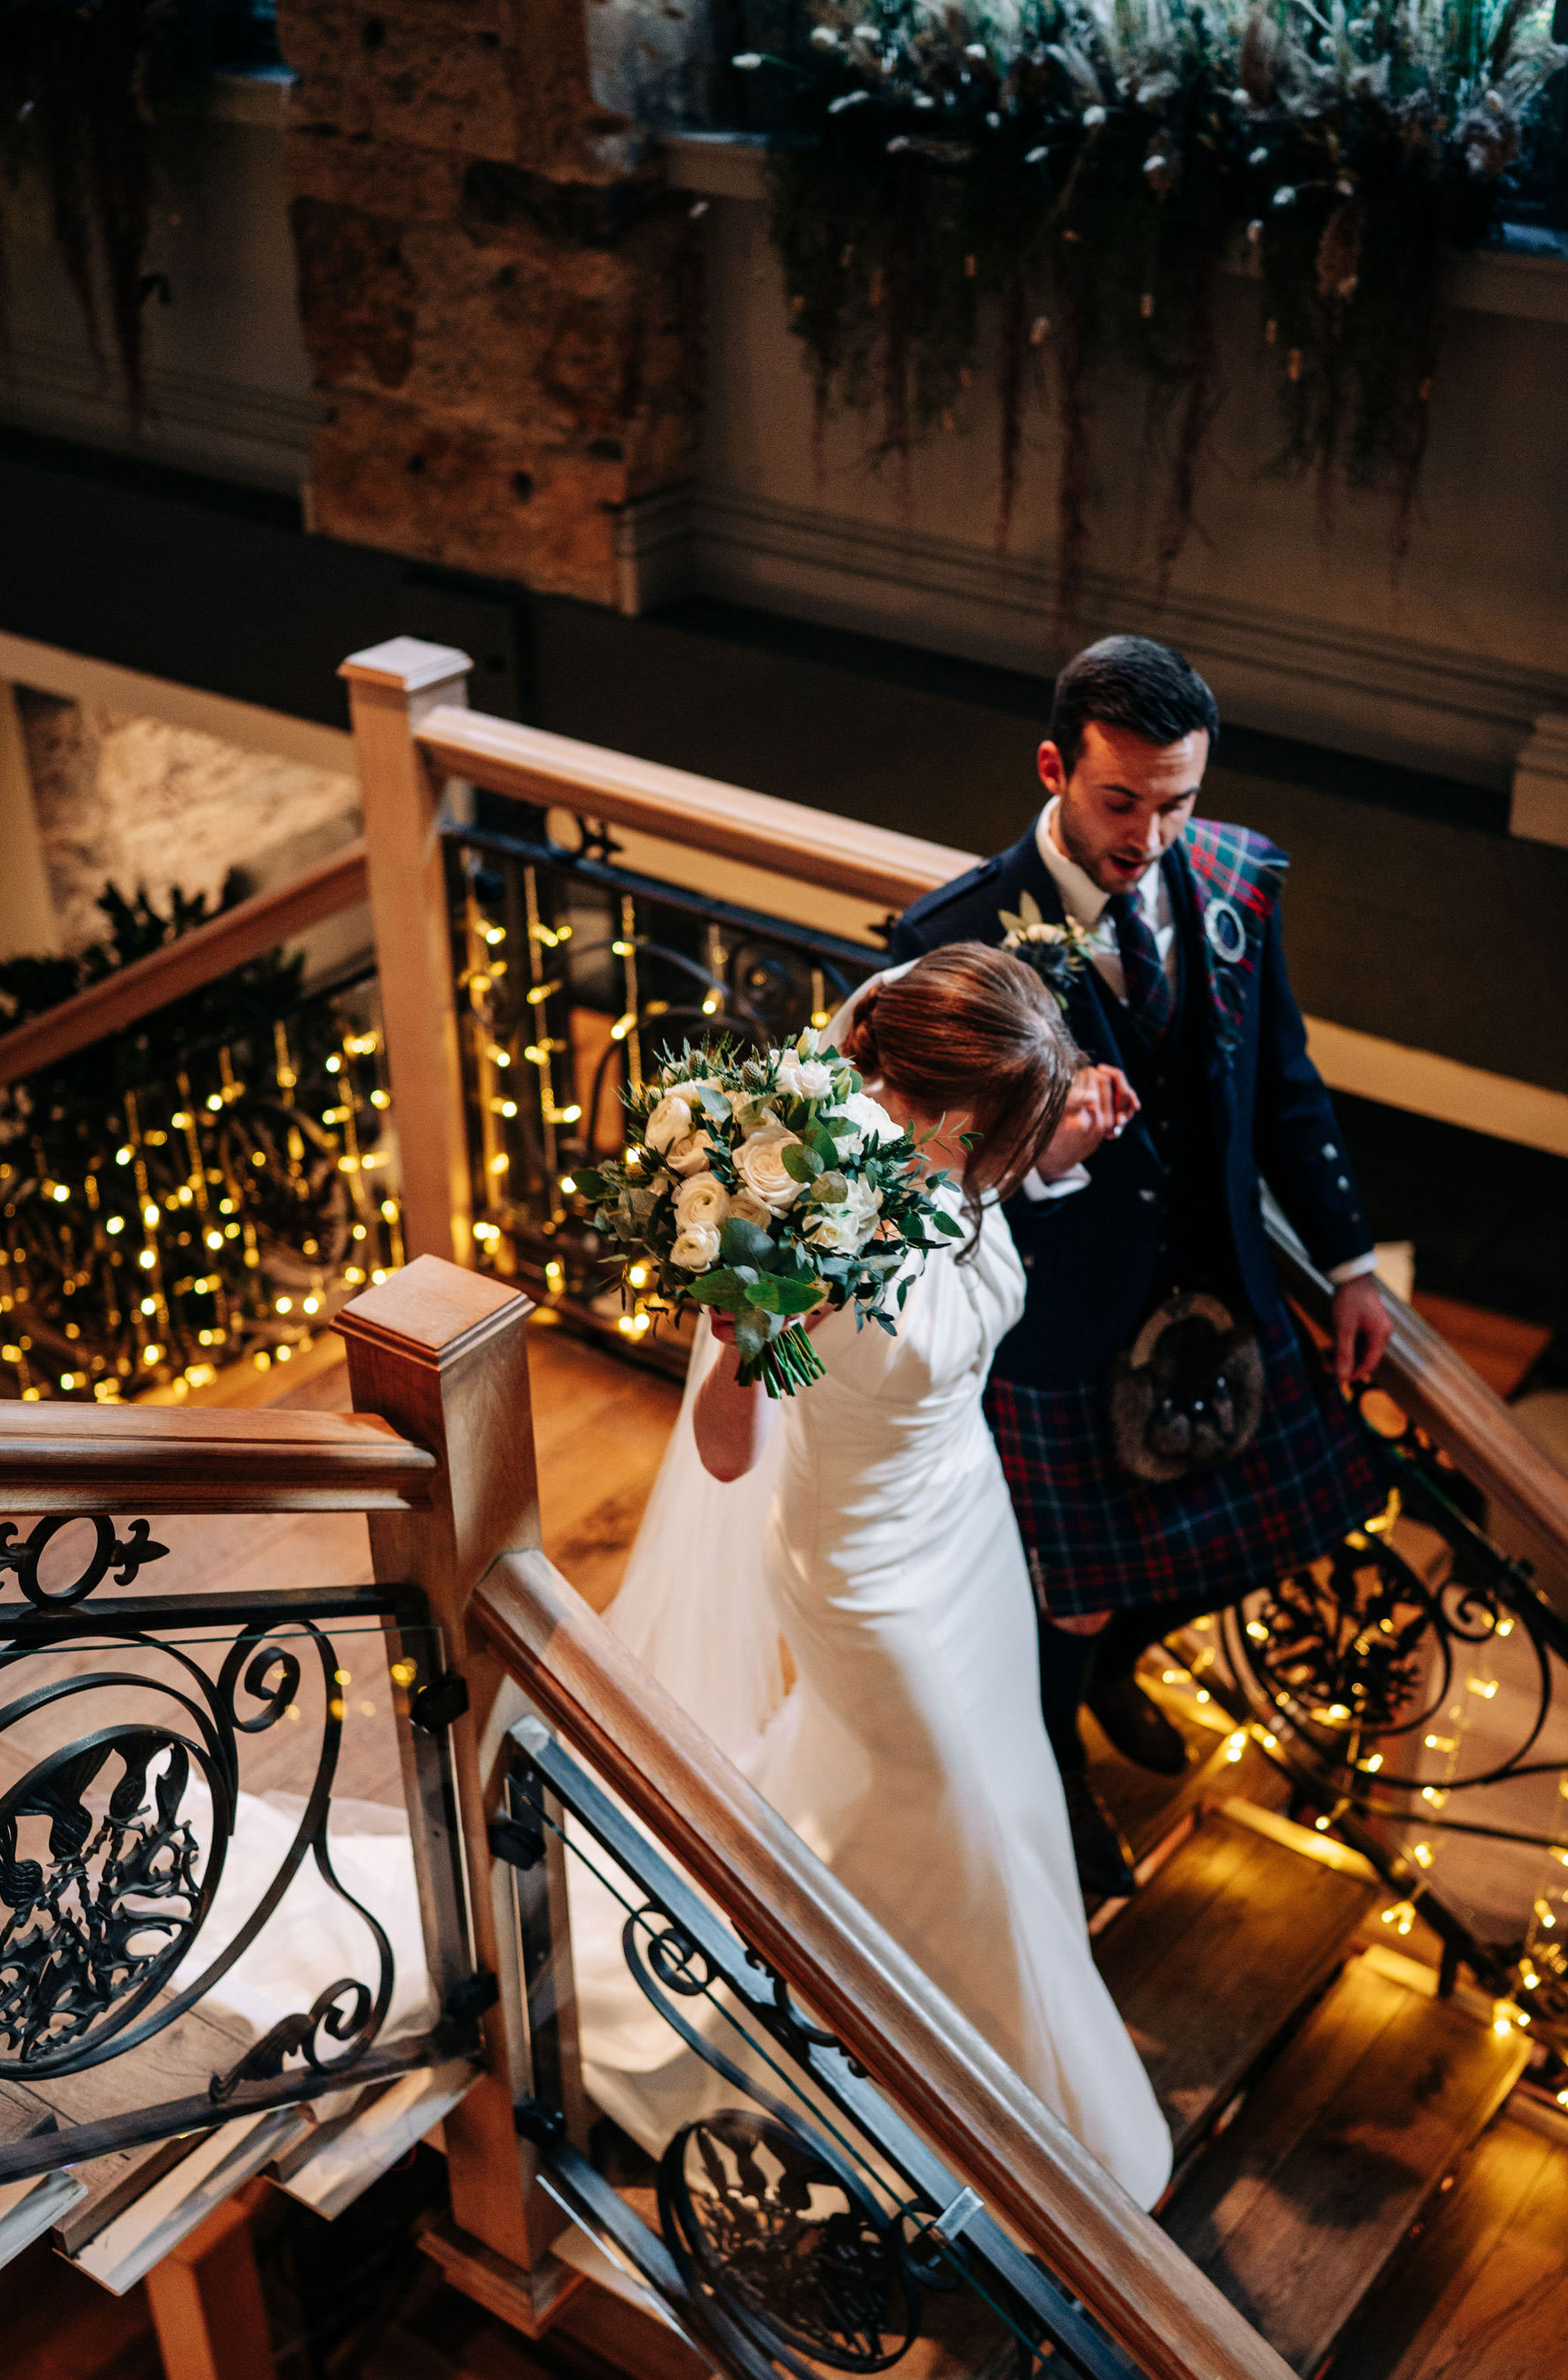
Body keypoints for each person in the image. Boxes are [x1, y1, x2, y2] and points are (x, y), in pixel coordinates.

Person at [583, 943, 1173, 2212]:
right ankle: (952, 2097)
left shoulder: (957, 1159)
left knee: (994, 1792)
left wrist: (1047, 1163)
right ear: (949, 1116)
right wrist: (742, 1316)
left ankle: (883, 2006)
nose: (1018, 1166)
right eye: (1011, 1143)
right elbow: (727, 1456)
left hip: (966, 1522)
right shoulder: (789, 1202)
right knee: (950, 1804)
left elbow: (976, 1228)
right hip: (863, 1575)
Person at [885, 636, 1392, 1899]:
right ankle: (1053, 1767)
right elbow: (930, 1178)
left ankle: (1115, 1675)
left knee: (1288, 1527)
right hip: (1058, 1323)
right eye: (1122, 800)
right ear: (1056, 767)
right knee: (1066, 1605)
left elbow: (1285, 1079)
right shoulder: (954, 940)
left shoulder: (1238, 882)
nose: (1152, 834)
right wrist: (1047, 1154)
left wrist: (1353, 1263)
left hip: (1222, 1292)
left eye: (1179, 801)